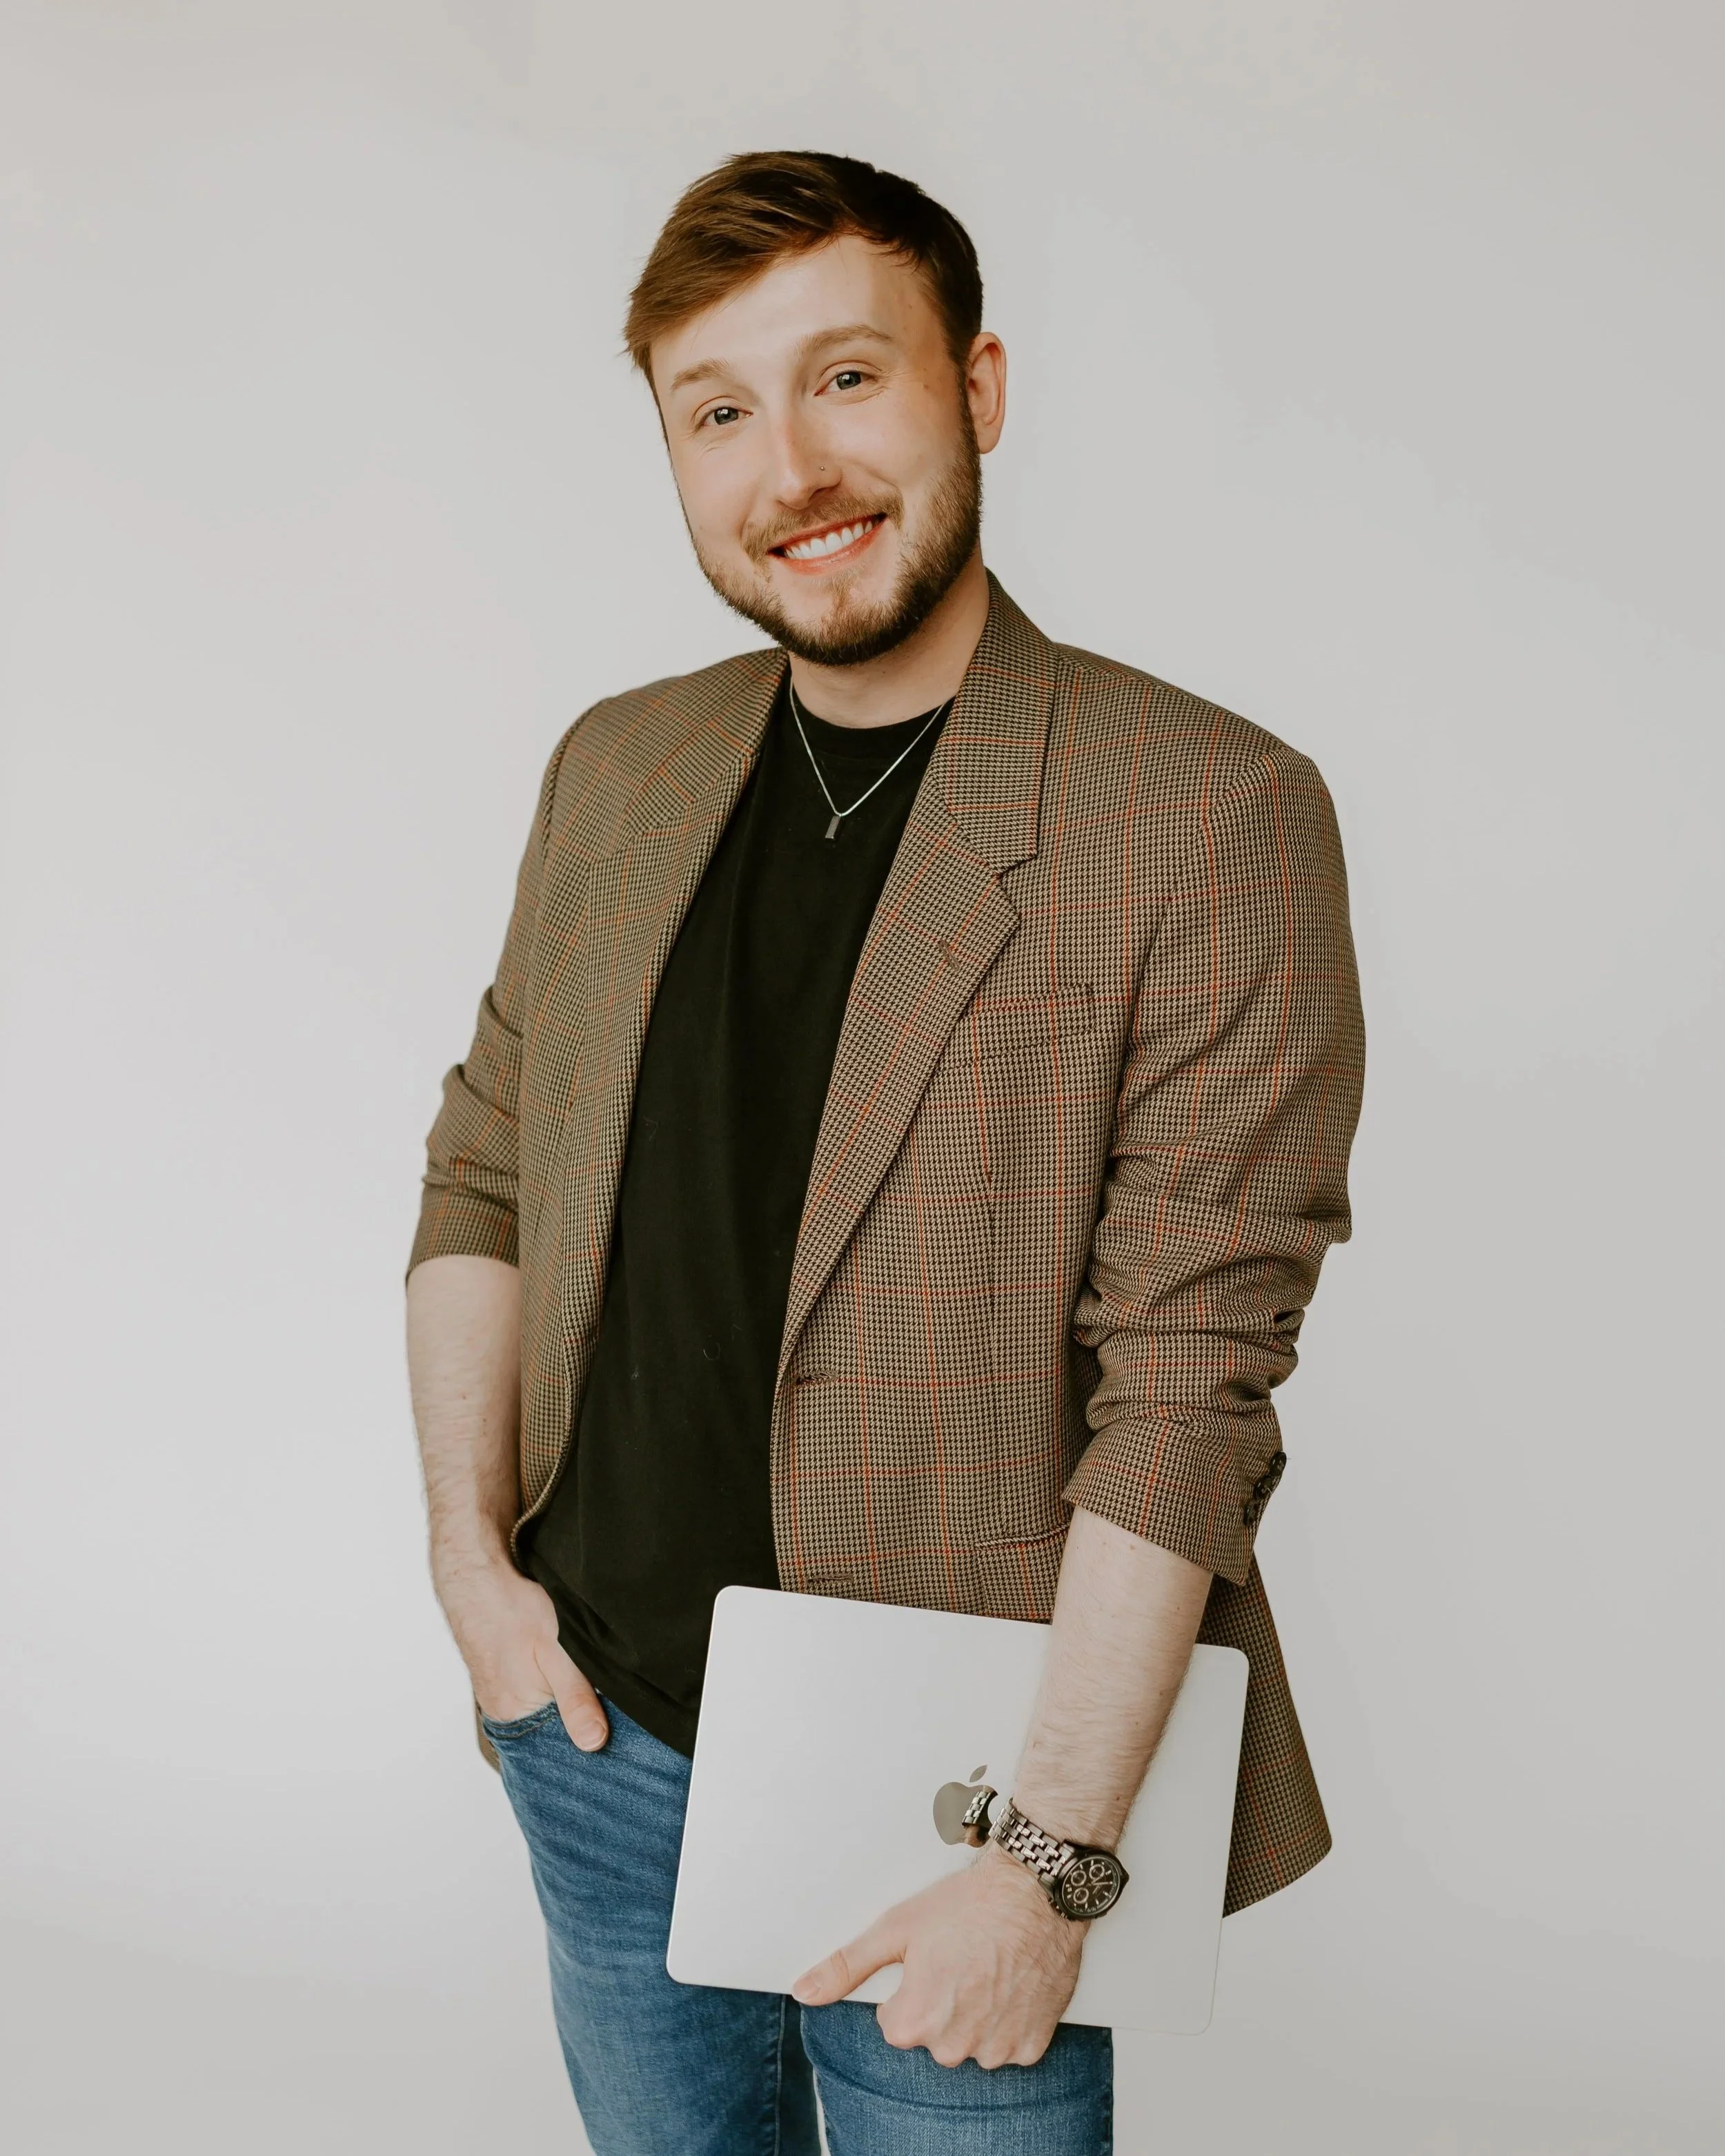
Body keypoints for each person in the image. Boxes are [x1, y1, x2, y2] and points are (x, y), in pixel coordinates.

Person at [405, 150, 1365, 2156]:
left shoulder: (1202, 811)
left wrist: (1045, 1866)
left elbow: (1185, 1392)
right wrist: (473, 1573)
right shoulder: (619, 761)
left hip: (956, 1806)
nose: (789, 467)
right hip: (591, 1735)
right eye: (718, 409)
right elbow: (488, 1169)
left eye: (847, 376)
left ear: (978, 388)